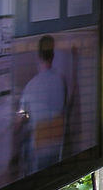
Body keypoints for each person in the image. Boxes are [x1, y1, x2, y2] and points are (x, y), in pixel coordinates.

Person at [18, 34, 71, 168]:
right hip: (58, 146)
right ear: (52, 55)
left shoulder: (31, 85)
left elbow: (21, 116)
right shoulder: (61, 81)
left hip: (39, 148)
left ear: (38, 56)